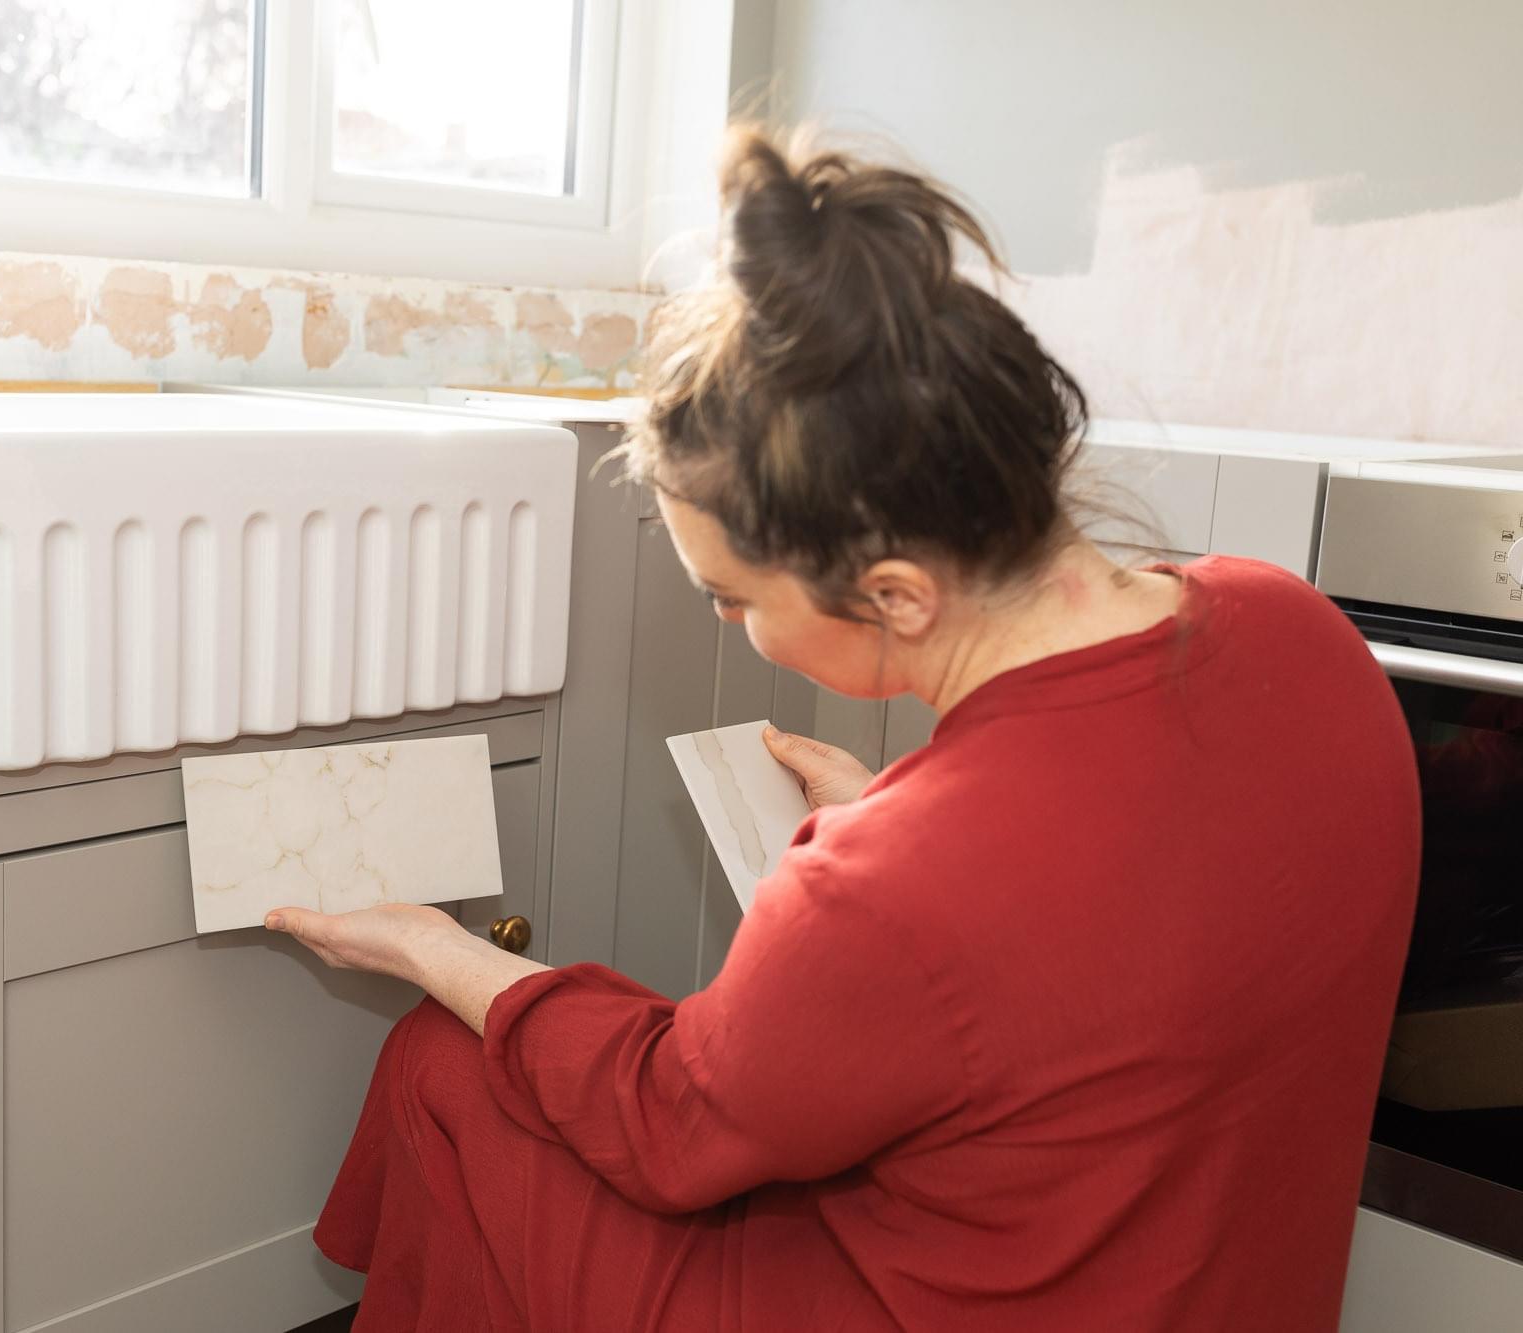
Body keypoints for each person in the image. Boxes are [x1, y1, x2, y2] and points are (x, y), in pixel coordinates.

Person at [265, 127, 1420, 1331]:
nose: (733, 627)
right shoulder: (1301, 631)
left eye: (732, 600)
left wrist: (430, 948)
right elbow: (1123, 929)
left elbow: (667, 1122)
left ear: (895, 594)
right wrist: (895, 823)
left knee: (446, 1059)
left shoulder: (897, 886)